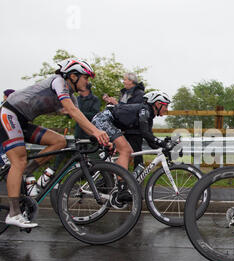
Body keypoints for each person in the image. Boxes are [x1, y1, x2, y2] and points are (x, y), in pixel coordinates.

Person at [0, 58, 109, 228]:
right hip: (9, 114)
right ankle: (13, 213)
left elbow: (79, 118)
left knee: (59, 141)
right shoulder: (58, 82)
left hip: (23, 120)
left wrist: (102, 138)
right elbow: (72, 111)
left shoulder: (72, 97)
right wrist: (96, 132)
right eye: (86, 78)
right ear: (73, 76)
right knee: (18, 160)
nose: (88, 82)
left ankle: (26, 171)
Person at [92, 91, 174, 202]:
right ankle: (122, 190)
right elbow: (145, 133)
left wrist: (163, 148)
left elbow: (150, 140)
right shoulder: (144, 110)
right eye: (166, 106)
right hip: (103, 120)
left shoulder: (149, 115)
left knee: (128, 155)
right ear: (158, 104)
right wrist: (162, 143)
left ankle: (106, 179)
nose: (167, 109)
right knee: (125, 150)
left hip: (109, 122)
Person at [103, 73, 146, 170]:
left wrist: (117, 104)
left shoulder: (139, 94)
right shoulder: (125, 93)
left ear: (131, 81)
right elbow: (121, 109)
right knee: (125, 153)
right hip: (125, 128)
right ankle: (123, 176)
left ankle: (137, 180)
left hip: (134, 129)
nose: (123, 81)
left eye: (125, 79)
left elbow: (133, 110)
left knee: (137, 155)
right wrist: (112, 103)